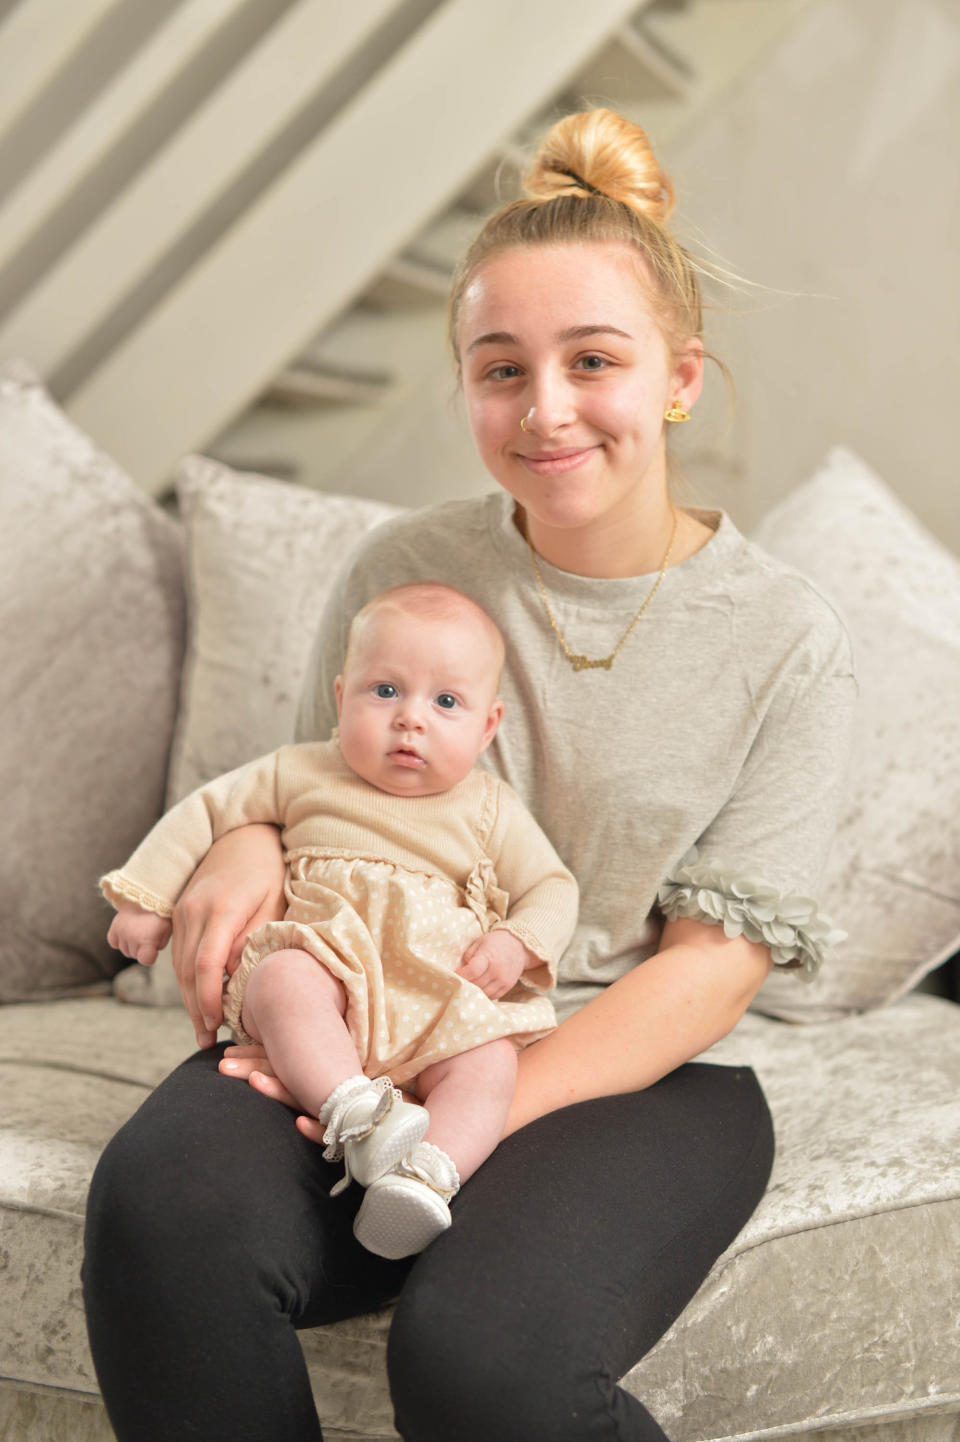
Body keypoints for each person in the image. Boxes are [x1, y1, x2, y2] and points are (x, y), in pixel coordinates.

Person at [83, 106, 856, 1442]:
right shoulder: (402, 570)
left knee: (478, 1358)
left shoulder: (786, 637)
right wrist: (255, 850)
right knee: (165, 1212)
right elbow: (306, 785)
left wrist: (462, 1100)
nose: (544, 408)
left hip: (624, 1065)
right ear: (465, 384)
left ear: (678, 378)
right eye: (501, 368)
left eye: (592, 361)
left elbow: (709, 968)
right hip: (366, 1014)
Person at [100, 582, 577, 1259]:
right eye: (385, 691)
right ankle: (357, 1117)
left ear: (488, 726)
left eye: (446, 702)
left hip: (436, 1003)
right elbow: (206, 812)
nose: (411, 719)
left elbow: (552, 887)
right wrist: (146, 900)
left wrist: (516, 941)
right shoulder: (303, 771)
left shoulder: (489, 807)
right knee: (283, 977)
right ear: (340, 694)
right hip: (330, 969)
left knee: (491, 1061)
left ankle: (424, 1176)